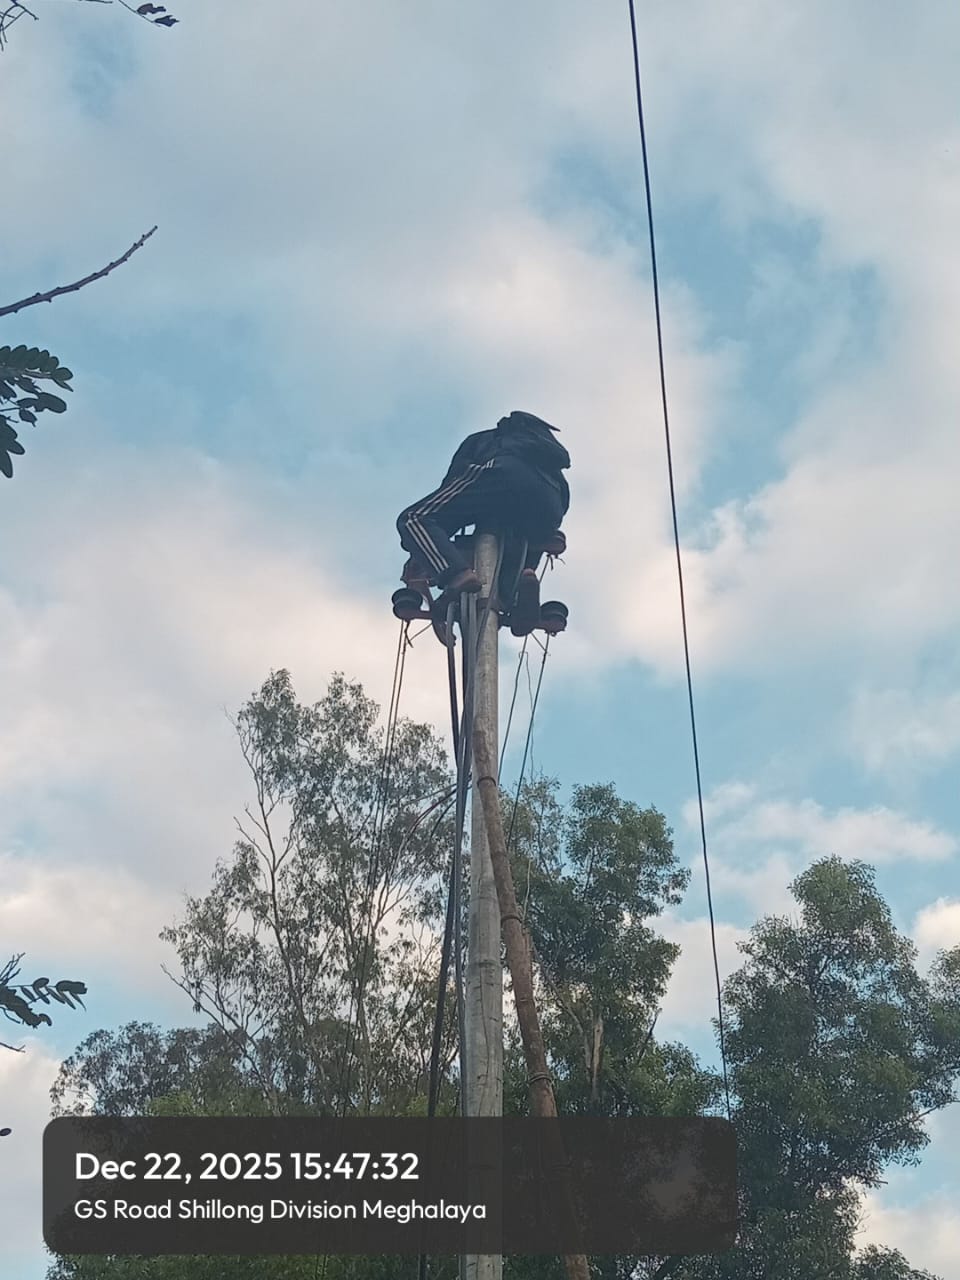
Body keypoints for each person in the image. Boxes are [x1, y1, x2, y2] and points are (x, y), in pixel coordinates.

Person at [396, 410, 570, 597]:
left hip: (505, 473)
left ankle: (456, 574)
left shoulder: (483, 440)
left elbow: (452, 488)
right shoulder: (545, 454)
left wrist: (423, 551)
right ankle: (516, 594)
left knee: (414, 519)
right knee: (513, 546)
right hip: (552, 505)